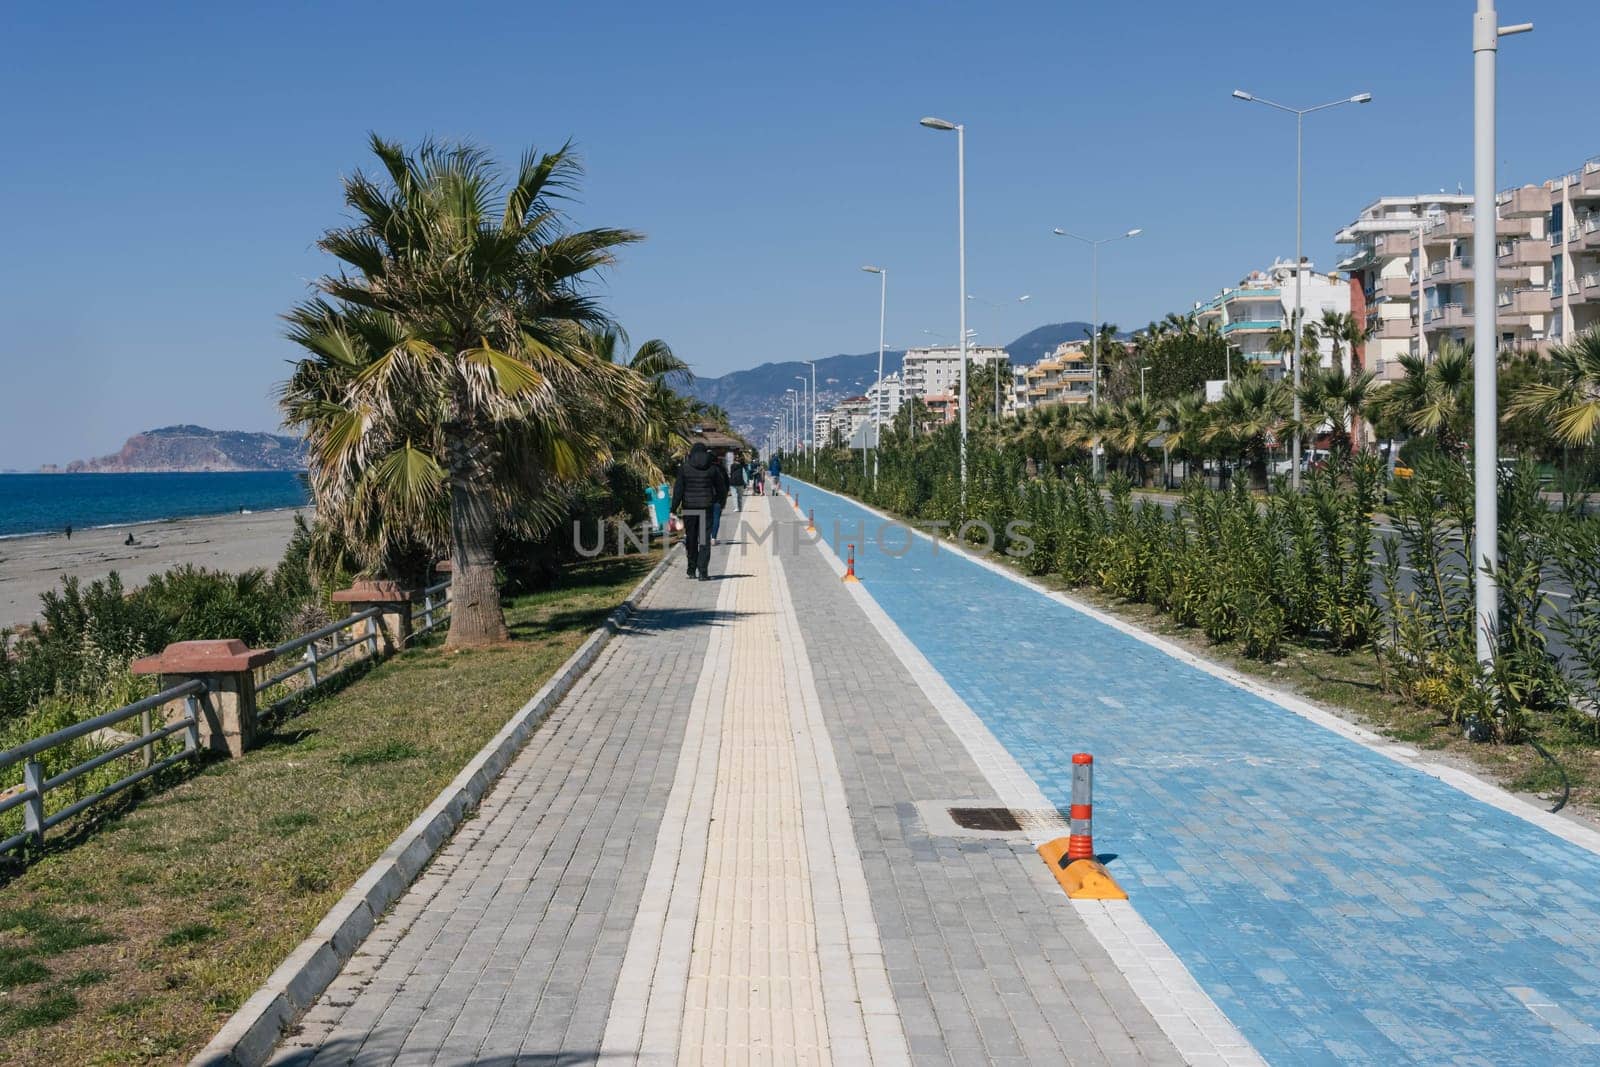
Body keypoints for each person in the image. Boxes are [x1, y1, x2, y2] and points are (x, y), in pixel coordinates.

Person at [671, 442, 727, 580]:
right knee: (704, 540)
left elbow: (678, 490)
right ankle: (703, 572)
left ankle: (691, 570)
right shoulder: (712, 468)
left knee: (691, 539)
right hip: (706, 508)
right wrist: (721, 502)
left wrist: (673, 508)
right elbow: (722, 488)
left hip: (689, 508)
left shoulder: (684, 468)